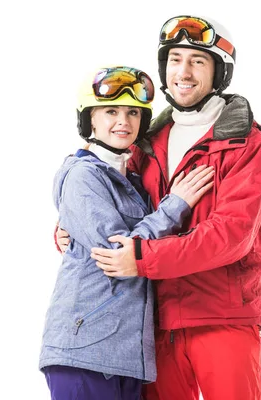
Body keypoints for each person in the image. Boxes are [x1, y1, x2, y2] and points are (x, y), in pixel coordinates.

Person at [56, 16, 261, 400]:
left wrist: (141, 256)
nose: (184, 72)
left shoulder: (246, 144)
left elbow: (231, 236)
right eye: (175, 59)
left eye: (198, 60)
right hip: (152, 326)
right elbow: (119, 208)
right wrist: (72, 225)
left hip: (220, 318)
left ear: (218, 72)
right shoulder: (145, 141)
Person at [39, 65, 215, 400]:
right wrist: (175, 204)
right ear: (90, 119)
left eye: (133, 112)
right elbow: (117, 252)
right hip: (85, 352)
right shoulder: (82, 176)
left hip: (126, 358)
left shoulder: (130, 181)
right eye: (111, 111)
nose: (124, 121)